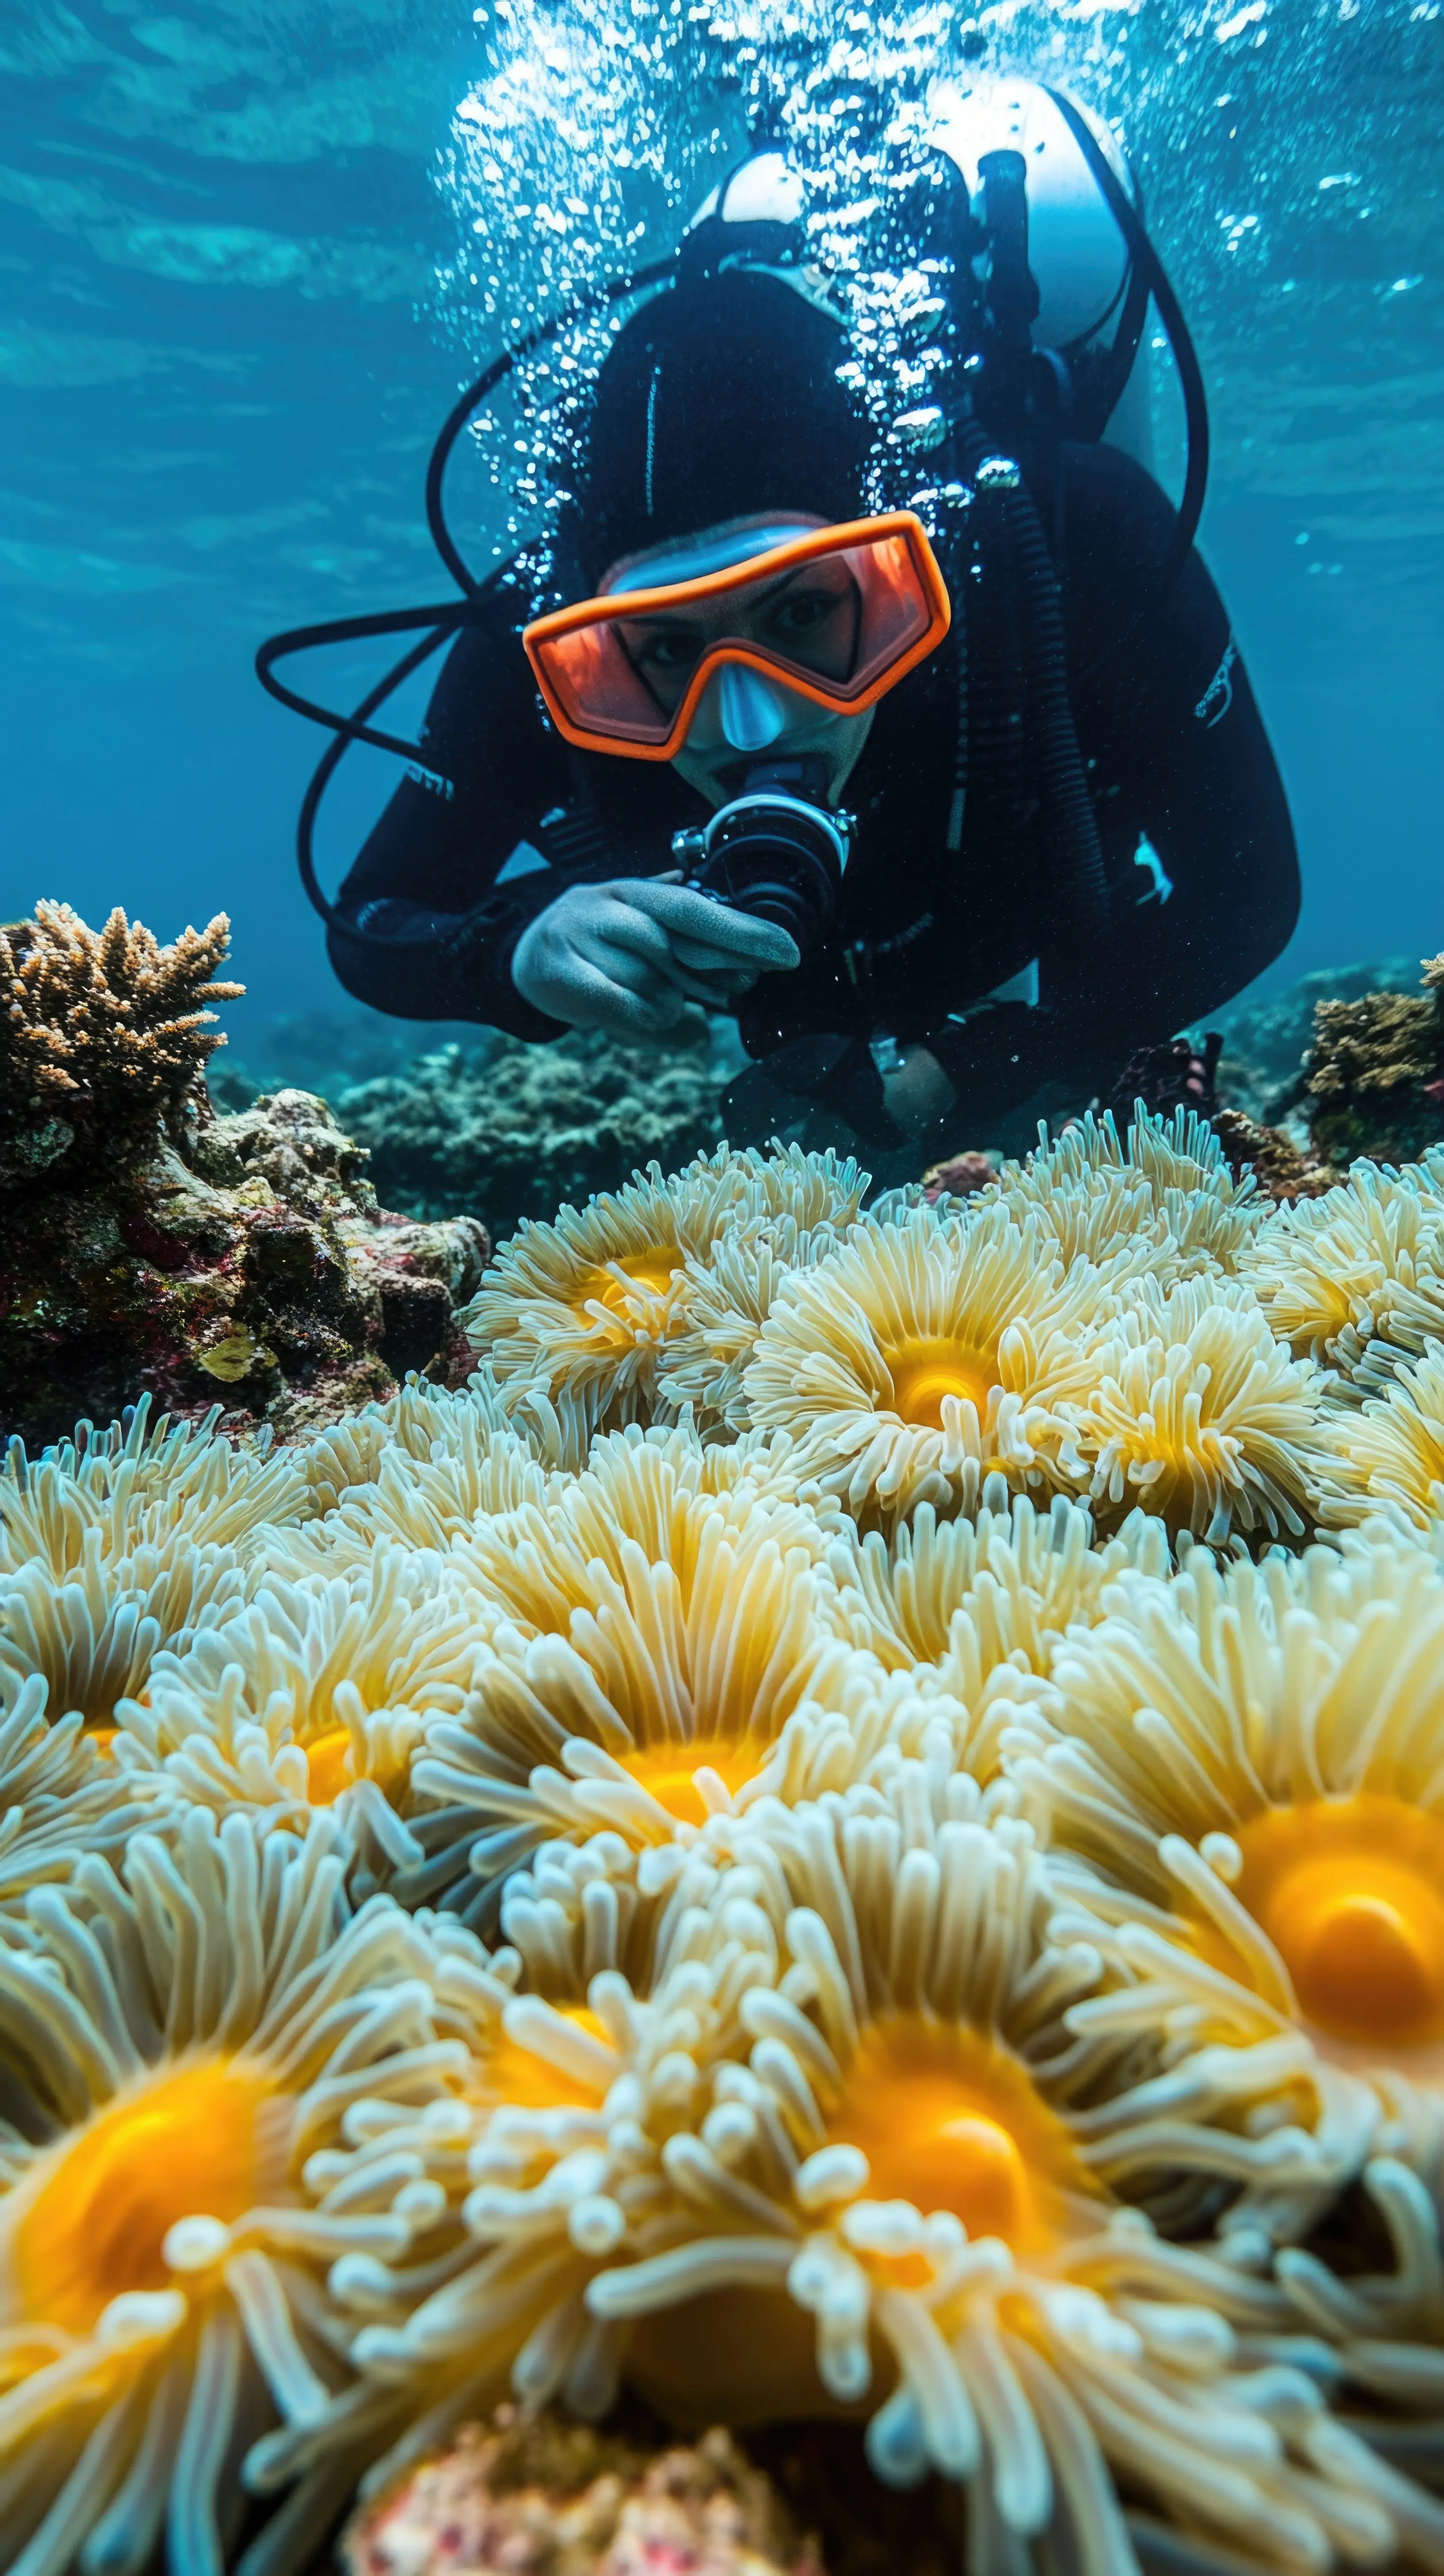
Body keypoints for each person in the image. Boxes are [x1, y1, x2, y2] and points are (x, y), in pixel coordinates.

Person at [327, 124, 1298, 1164]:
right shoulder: (532, 630)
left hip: (1028, 938)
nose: (751, 716)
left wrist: (987, 1062)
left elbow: (1248, 896)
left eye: (800, 613)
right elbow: (376, 920)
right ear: (591, 642)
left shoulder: (1071, 538)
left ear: (900, 582)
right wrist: (514, 945)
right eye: (662, 650)